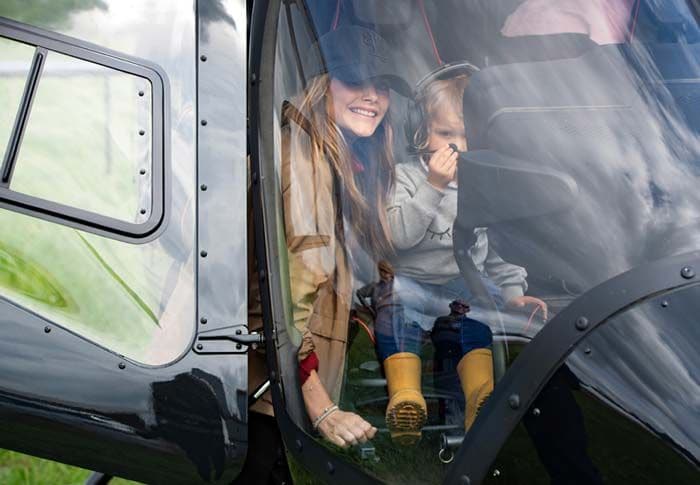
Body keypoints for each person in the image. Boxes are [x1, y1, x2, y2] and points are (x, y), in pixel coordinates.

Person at [381, 72, 548, 443]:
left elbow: (494, 250)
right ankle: (406, 396)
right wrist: (434, 187)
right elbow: (398, 237)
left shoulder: (483, 185)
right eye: (445, 135)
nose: (457, 147)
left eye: (467, 135)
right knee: (395, 313)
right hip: (412, 280)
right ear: (421, 134)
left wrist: (510, 292)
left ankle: (480, 399)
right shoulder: (405, 177)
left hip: (460, 285)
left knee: (479, 321)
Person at [281, 25, 411, 449]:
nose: (372, 96)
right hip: (270, 398)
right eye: (355, 80)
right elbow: (281, 303)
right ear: (323, 84)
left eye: (383, 86)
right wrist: (321, 408)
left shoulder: (345, 159)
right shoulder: (304, 163)